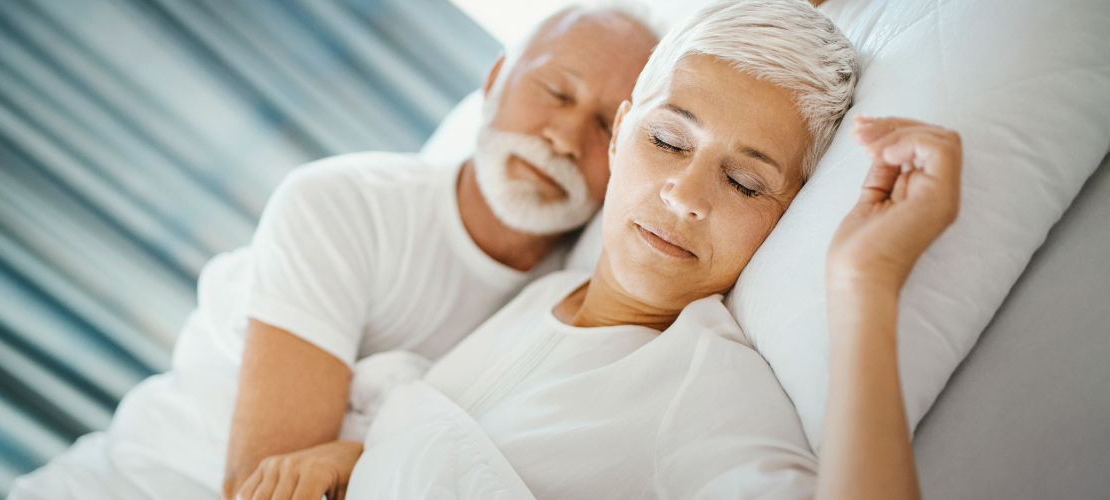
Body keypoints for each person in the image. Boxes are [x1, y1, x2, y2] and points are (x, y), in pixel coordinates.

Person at [235, 1, 960, 498]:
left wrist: (867, 286)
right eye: (668, 141)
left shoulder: (705, 394)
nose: (685, 194)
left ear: (791, 214)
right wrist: (351, 458)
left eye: (743, 182)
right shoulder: (541, 292)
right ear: (619, 138)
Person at [7, 4, 662, 500]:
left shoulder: (579, 293)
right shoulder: (344, 203)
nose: (565, 136)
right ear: (493, 82)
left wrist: (350, 459)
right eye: (555, 91)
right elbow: (267, 487)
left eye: (610, 126)